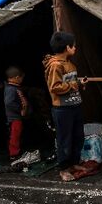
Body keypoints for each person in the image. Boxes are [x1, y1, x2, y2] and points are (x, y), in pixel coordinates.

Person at [43, 31, 88, 181]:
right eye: (73, 46)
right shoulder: (55, 66)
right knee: (64, 139)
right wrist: (74, 84)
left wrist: (79, 83)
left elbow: (70, 83)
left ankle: (74, 163)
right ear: (67, 47)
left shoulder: (70, 64)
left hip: (75, 105)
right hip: (62, 109)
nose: (75, 48)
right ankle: (63, 169)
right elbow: (54, 87)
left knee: (78, 137)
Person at [4, 66, 30, 164]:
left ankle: (17, 151)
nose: (22, 80)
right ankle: (14, 155)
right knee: (14, 135)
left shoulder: (15, 88)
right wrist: (19, 110)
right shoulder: (11, 89)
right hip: (14, 118)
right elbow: (9, 103)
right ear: (16, 78)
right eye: (21, 78)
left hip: (17, 117)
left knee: (17, 134)